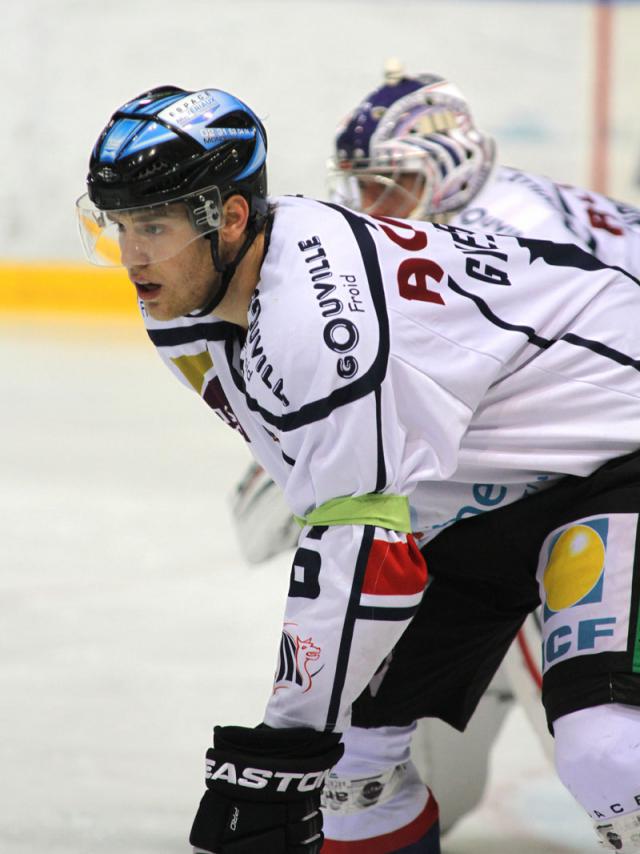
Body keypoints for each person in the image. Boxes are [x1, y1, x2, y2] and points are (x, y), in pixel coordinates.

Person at [77, 83, 640, 854]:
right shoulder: (185, 293)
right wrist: (304, 745)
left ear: (231, 219)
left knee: (606, 752)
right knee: (351, 773)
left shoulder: (321, 325)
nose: (131, 254)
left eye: (154, 224)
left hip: (617, 460)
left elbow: (362, 547)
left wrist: (280, 749)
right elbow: (338, 512)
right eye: (118, 226)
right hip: (498, 499)